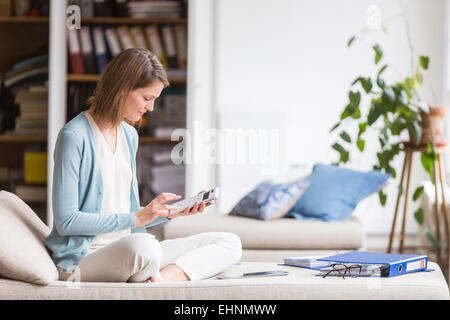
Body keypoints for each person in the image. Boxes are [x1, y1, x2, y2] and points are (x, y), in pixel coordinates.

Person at [45, 48, 242, 283]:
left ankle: (160, 280)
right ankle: (151, 274)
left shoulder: (129, 134)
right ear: (121, 89)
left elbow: (124, 209)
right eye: (147, 98)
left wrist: (173, 212)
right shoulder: (74, 136)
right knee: (145, 247)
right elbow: (67, 222)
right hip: (87, 257)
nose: (150, 108)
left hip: (127, 248)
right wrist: (137, 219)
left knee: (229, 243)